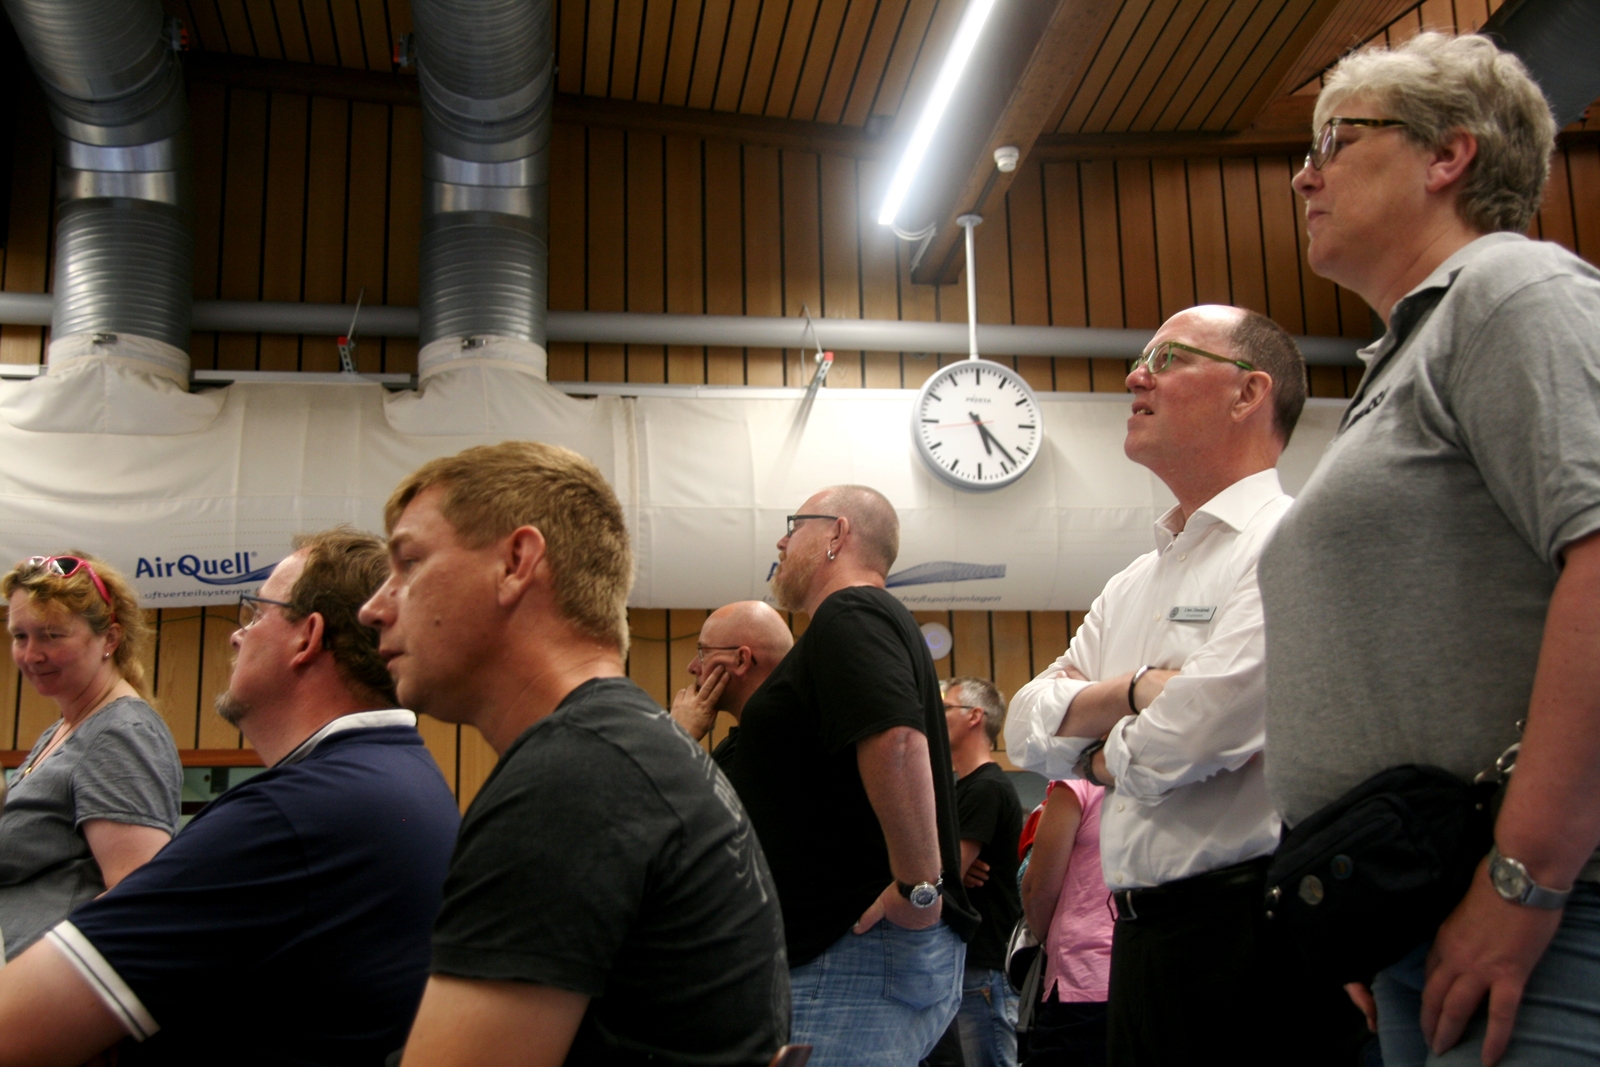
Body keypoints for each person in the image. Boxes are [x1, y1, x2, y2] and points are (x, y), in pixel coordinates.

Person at [1264, 31, 1600, 1067]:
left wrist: (1525, 875)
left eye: (1334, 140)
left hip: (1546, 909)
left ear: (1447, 154)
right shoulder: (1407, 352)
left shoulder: (1511, 291)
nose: (1303, 176)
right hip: (1423, 910)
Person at [358, 441, 789, 1067]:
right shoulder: (631, 752)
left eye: (409, 563)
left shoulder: (572, 781)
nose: (374, 608)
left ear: (516, 563)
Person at [1005, 305, 1360, 1066]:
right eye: (1142, 359)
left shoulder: (1292, 541)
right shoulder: (1135, 581)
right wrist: (1134, 691)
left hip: (1255, 933)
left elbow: (1196, 732)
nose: (1136, 377)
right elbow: (1023, 725)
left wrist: (1094, 753)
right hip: (1138, 938)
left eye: (1168, 359)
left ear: (1248, 392)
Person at [0, 528, 461, 1066]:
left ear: (307, 637)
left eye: (256, 613)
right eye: (19, 635)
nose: (236, 636)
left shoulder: (295, 815)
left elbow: (15, 1026)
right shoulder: (403, 778)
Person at [719, 484, 979, 1066]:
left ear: (837, 533)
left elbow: (897, 740)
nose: (781, 542)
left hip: (852, 954)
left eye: (794, 526)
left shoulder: (850, 611)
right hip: (851, 954)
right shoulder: (855, 621)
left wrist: (917, 888)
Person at [0, 553, 180, 962]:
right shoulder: (66, 730)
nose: (31, 655)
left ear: (110, 639)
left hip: (47, 985)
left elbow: (136, 898)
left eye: (52, 635)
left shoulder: (121, 733)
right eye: (20, 636)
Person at [939, 677, 1023, 1067]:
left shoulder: (986, 787)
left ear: (975, 716)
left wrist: (951, 870)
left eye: (945, 708)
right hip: (969, 964)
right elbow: (949, 870)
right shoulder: (963, 789)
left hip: (984, 964)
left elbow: (944, 871)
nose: (936, 716)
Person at [1018, 778, 1112, 1066]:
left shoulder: (1076, 785)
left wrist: (1045, 934)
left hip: (1084, 974)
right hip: (1157, 973)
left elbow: (1037, 890)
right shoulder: (1177, 773)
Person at [669, 599, 793, 765]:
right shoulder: (778, 733)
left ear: (741, 660)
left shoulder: (766, 750)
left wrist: (677, 738)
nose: (692, 667)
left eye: (703, 653)